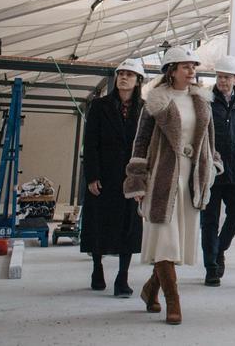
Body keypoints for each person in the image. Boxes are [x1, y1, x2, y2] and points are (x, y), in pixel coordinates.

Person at [124, 46, 223, 326]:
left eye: (193, 66)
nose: (192, 71)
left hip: (192, 177)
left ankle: (150, 289)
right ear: (171, 70)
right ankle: (173, 302)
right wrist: (137, 180)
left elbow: (210, 141)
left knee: (176, 244)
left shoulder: (203, 101)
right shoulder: (155, 102)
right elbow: (140, 143)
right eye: (185, 66)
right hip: (163, 177)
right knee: (166, 240)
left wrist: (213, 166)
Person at [81, 59, 146, 297]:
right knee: (99, 222)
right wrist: (92, 175)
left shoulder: (145, 109)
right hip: (104, 174)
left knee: (129, 226)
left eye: (130, 74)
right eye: (121, 74)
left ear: (138, 80)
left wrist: (143, 180)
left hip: (130, 176)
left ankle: (123, 277)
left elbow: (147, 146)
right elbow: (90, 143)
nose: (124, 78)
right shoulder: (100, 106)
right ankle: (97, 268)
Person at [200, 55, 235, 286]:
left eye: (227, 77)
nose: (222, 81)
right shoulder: (206, 101)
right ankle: (211, 266)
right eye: (220, 76)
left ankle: (219, 249)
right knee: (209, 220)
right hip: (212, 171)